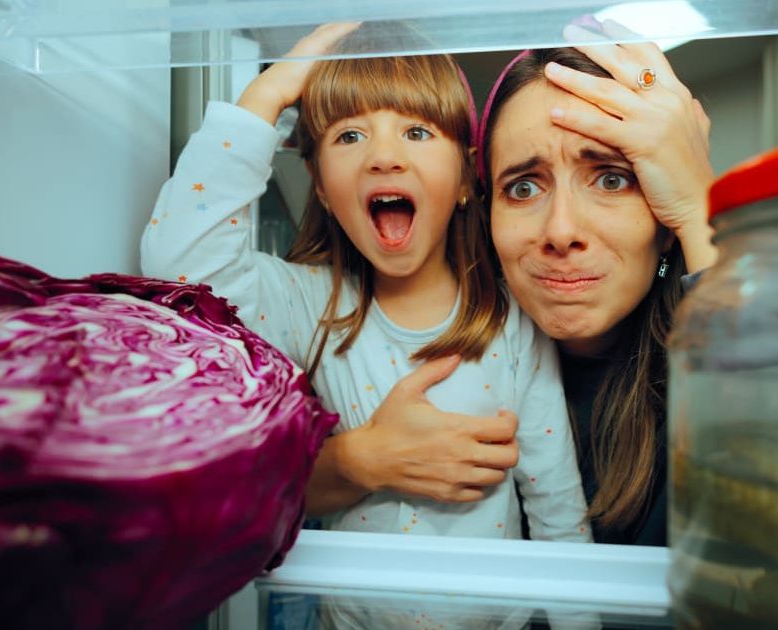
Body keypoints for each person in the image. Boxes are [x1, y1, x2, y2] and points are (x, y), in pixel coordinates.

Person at [140, 22, 591, 548]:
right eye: (350, 136)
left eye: (417, 132)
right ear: (323, 188)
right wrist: (269, 94)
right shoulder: (306, 303)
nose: (384, 157)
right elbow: (178, 267)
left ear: (468, 178)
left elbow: (556, 504)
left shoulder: (510, 317)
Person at [306, 21, 716, 548]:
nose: (561, 231)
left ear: (666, 222)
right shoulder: (461, 345)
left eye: (611, 179)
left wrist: (700, 205)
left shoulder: (705, 361)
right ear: (486, 210)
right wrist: (350, 463)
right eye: (523, 187)